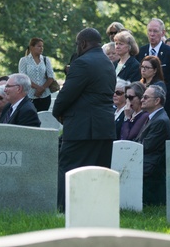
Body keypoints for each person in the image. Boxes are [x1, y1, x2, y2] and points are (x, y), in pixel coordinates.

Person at [52, 27, 117, 210]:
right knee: (98, 172)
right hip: (104, 127)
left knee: (69, 169)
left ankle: (65, 210)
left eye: (77, 44)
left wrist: (57, 112)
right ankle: (97, 210)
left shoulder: (82, 63)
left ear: (83, 43)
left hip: (82, 128)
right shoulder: (107, 62)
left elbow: (66, 95)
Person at [137, 85, 170, 206]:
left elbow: (146, 146)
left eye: (146, 97)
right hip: (146, 161)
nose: (142, 100)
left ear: (157, 101)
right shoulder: (154, 118)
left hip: (151, 166)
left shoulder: (160, 121)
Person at [136, 18, 170, 88]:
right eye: (150, 31)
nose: (152, 34)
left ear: (163, 33)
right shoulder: (141, 52)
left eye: (155, 31)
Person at [18, 37, 56, 112]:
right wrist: (37, 88)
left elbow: (51, 76)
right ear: (32, 47)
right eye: (39, 46)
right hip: (30, 96)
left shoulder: (45, 59)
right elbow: (23, 78)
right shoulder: (24, 60)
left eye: (42, 46)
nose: (41, 48)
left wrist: (42, 88)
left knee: (43, 117)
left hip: (45, 95)